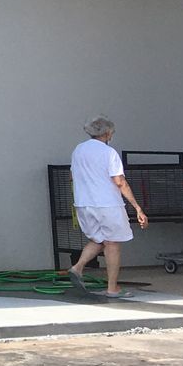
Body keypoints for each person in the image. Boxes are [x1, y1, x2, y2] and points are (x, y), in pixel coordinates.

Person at [66, 116, 148, 298]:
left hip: (83, 203)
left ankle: (77, 268)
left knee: (100, 239)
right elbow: (119, 181)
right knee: (112, 243)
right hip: (107, 204)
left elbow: (72, 176)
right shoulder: (109, 153)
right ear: (107, 133)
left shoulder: (78, 150)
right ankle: (112, 288)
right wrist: (137, 207)